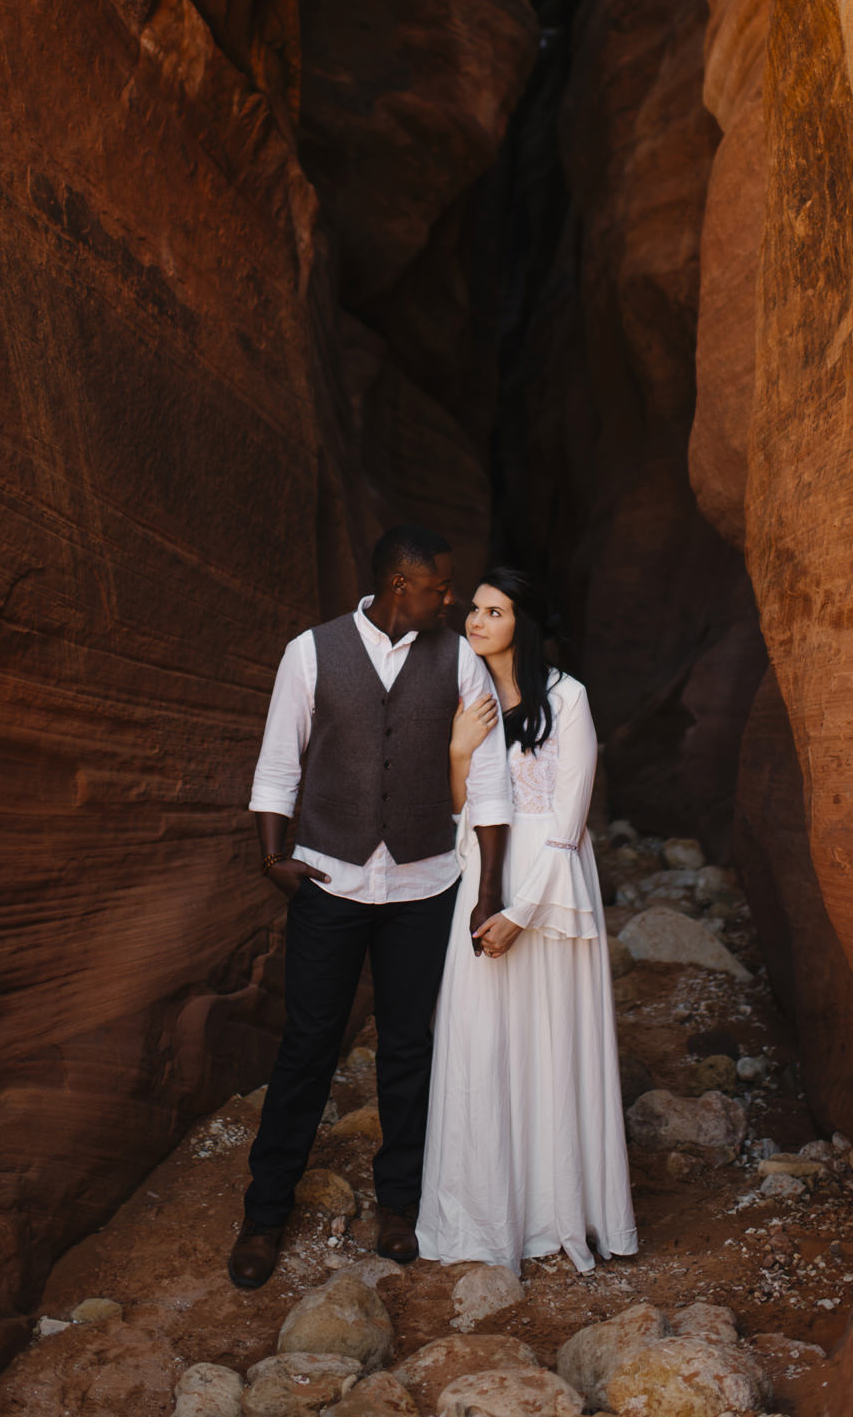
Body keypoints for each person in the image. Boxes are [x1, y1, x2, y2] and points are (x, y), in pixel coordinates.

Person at [230, 525, 513, 1288]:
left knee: (409, 1049)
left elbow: (489, 779)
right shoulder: (311, 652)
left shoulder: (457, 658)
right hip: (329, 882)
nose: (450, 599)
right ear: (399, 586)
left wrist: (487, 887)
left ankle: (401, 1205)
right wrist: (274, 859)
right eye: (438, 587)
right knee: (308, 1046)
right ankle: (264, 1215)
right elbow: (277, 762)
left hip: (423, 886)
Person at [418, 567, 638, 1270]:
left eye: (493, 611)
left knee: (553, 1041)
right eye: (474, 611)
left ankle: (561, 1212)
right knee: (481, 1042)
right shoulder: (467, 696)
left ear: (525, 622)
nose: (475, 621)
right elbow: (457, 806)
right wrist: (457, 747)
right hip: (481, 873)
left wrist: (521, 911)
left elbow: (568, 823)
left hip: (549, 888)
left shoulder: (568, 700)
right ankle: (486, 1217)